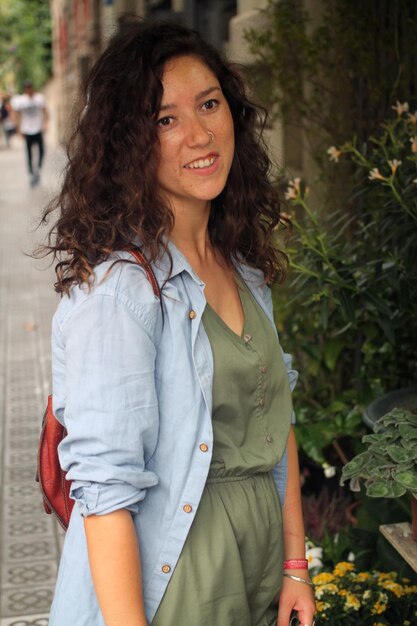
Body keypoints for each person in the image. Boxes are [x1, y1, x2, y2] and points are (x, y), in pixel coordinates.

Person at [40, 19, 316, 626]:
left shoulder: (242, 267)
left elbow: (278, 424)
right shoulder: (120, 295)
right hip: (175, 586)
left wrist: (296, 567)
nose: (200, 135)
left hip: (259, 570)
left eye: (209, 104)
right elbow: (106, 498)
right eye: (166, 120)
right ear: (128, 142)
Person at [12, 80, 48, 186]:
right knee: (29, 153)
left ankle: (38, 167)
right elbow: (17, 115)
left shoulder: (39, 98)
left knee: (41, 151)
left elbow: (45, 111)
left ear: (32, 88)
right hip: (27, 130)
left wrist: (46, 123)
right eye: (26, 88)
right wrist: (18, 129)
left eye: (30, 87)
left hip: (38, 128)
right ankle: (32, 173)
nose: (28, 89)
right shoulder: (21, 100)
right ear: (24, 89)